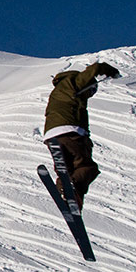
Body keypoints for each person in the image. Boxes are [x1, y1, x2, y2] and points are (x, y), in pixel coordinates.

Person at [43, 62, 121, 207]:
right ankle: (72, 192)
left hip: (52, 135)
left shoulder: (58, 91)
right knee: (87, 167)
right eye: (91, 91)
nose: (89, 95)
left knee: (67, 171)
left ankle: (65, 192)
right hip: (71, 132)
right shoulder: (74, 82)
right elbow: (96, 68)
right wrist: (111, 71)